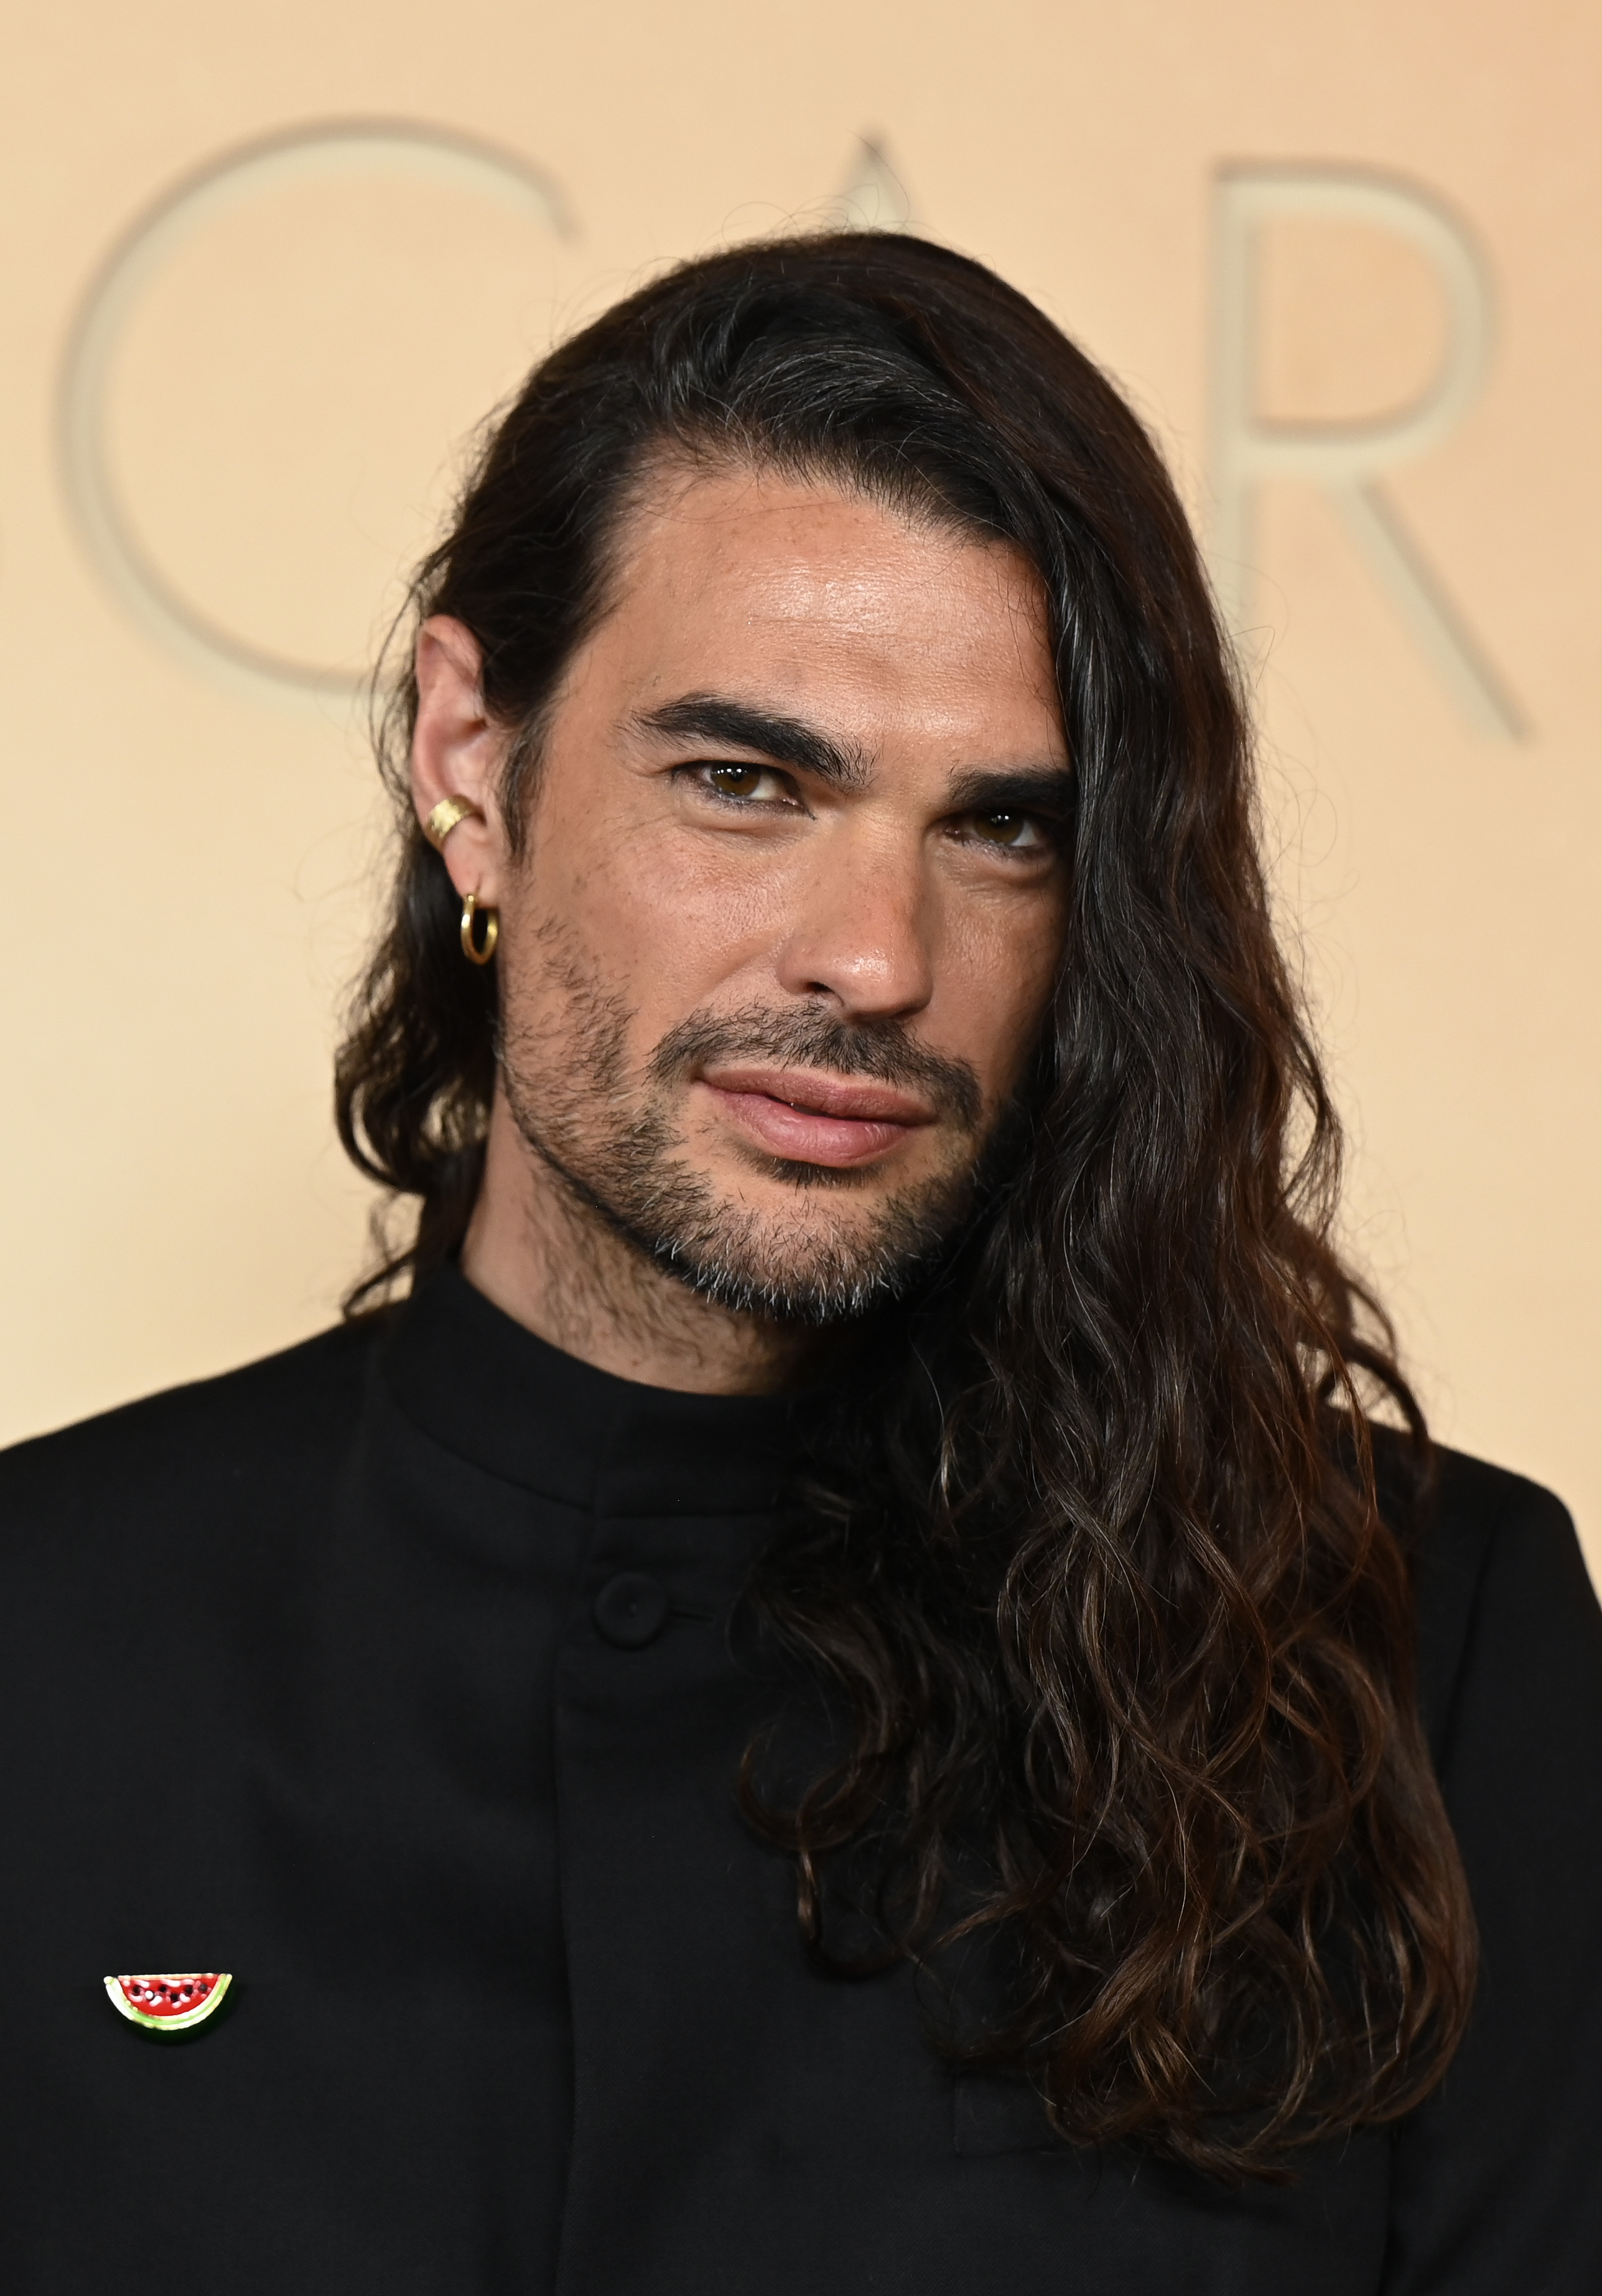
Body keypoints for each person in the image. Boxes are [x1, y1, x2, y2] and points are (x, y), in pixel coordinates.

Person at [1, 231, 1598, 2296]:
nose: (880, 957)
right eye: (747, 782)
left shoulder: (1417, 1649)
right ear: (470, 762)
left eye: (1003, 827)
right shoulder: (41, 1641)